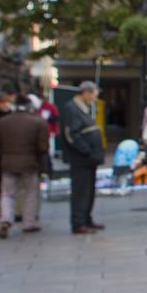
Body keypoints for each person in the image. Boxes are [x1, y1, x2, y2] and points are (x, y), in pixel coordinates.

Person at [0, 95, 49, 238]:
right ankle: (29, 223)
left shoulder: (3, 122)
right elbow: (43, 147)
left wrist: (2, 152)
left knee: (7, 194)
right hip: (30, 164)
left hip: (8, 163)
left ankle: (6, 220)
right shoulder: (38, 122)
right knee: (30, 194)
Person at [62, 81, 105, 234]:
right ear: (85, 93)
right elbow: (71, 134)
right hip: (81, 158)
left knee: (89, 190)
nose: (94, 98)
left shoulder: (84, 109)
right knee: (81, 190)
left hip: (89, 159)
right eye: (94, 94)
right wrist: (86, 150)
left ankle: (86, 218)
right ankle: (79, 222)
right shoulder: (72, 109)